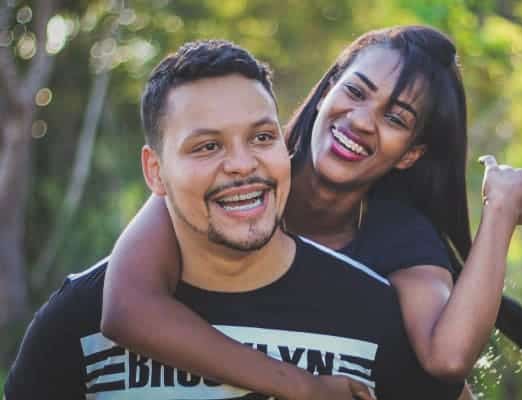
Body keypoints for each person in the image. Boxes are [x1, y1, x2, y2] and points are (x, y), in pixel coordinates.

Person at [102, 26, 522, 399]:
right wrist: (304, 389)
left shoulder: (396, 236)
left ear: (410, 153)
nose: (362, 122)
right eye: (356, 92)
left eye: (395, 118)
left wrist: (500, 210)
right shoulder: (238, 175)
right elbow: (125, 308)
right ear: (327, 92)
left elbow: (448, 357)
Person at [4, 39, 464, 400]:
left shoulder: (375, 315)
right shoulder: (78, 319)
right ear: (155, 172)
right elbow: (126, 311)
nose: (242, 165)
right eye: (207, 146)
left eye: (261, 137)